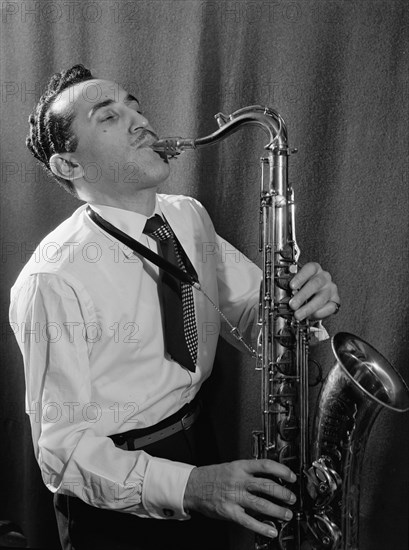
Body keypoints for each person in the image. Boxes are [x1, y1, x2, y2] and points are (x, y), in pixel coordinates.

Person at [9, 65, 340, 550]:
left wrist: (302, 308)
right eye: (109, 116)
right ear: (69, 166)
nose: (140, 121)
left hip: (204, 449)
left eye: (135, 106)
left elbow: (253, 311)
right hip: (113, 499)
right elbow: (62, 453)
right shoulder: (52, 280)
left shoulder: (187, 215)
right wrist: (190, 488)